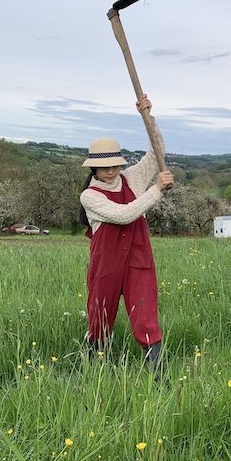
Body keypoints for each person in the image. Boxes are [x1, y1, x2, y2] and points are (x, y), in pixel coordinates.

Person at [78, 95, 173, 373]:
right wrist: (157, 189)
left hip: (137, 256)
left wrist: (149, 118)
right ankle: (94, 366)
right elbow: (124, 215)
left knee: (145, 311)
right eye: (104, 167)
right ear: (93, 167)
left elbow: (157, 154)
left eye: (115, 165)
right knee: (100, 313)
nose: (111, 171)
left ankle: (156, 374)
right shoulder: (89, 196)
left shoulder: (131, 177)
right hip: (106, 262)